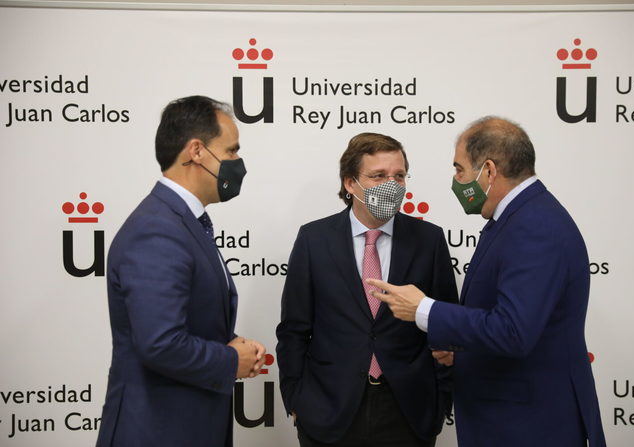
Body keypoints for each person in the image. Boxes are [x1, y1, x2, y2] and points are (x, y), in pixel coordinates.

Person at [369, 117, 606, 447]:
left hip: (528, 425)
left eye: (460, 170)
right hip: (512, 416)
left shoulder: (533, 226)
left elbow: (514, 332)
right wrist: (464, 354)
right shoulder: (517, 217)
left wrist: (424, 310)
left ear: (489, 171)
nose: (457, 181)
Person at [96, 96, 266, 447]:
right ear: (196, 151)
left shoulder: (183, 221)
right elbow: (160, 343)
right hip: (158, 430)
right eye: (231, 151)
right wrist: (230, 359)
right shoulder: (157, 229)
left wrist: (225, 343)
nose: (238, 162)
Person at [276, 133, 459, 447]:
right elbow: (294, 330)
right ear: (350, 183)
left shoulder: (428, 240)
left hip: (408, 413)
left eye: (398, 176)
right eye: (378, 176)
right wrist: (297, 401)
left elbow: (446, 326)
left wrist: (440, 401)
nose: (392, 184)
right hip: (329, 412)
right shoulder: (314, 239)